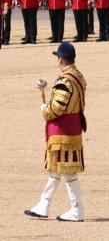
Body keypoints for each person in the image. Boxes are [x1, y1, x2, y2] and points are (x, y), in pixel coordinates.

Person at [24, 42, 87, 222]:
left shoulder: (65, 80)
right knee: (56, 169)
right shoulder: (78, 76)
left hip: (62, 131)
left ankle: (77, 210)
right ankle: (44, 204)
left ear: (61, 59)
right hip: (72, 127)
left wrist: (44, 108)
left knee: (67, 171)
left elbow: (57, 109)